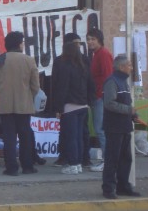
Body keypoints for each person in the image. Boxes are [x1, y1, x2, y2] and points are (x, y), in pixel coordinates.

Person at [0, 31, 40, 176]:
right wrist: (28, 97)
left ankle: (11, 168)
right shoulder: (29, 60)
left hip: (4, 106)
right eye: (23, 42)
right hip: (24, 105)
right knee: (25, 137)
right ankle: (27, 166)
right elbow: (35, 86)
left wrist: (1, 96)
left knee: (9, 137)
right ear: (19, 44)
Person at [51, 33, 95, 175]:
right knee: (79, 136)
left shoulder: (63, 64)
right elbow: (90, 84)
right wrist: (89, 101)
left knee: (71, 136)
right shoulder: (83, 63)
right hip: (82, 105)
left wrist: (57, 107)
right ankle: (80, 162)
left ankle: (73, 163)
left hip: (69, 106)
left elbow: (60, 88)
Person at [101, 54, 142, 199]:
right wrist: (128, 110)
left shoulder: (124, 82)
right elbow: (109, 104)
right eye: (129, 65)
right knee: (112, 159)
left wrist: (132, 115)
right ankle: (108, 189)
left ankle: (123, 186)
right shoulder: (112, 82)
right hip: (114, 127)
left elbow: (126, 102)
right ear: (121, 67)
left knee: (126, 158)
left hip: (124, 126)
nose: (131, 67)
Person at [87, 28, 113, 172]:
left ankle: (108, 161)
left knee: (101, 130)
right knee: (100, 129)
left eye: (93, 39)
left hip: (101, 97)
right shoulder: (97, 54)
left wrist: (102, 95)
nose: (90, 42)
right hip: (98, 97)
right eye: (88, 39)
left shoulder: (103, 54)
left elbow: (108, 76)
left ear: (99, 40)